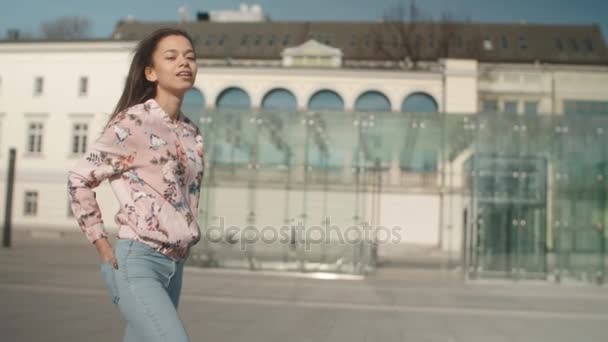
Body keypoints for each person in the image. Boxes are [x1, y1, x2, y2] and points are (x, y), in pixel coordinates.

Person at [67, 27, 204, 342]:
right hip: (138, 261)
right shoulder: (133, 123)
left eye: (190, 57)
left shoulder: (191, 132)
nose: (184, 63)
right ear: (151, 72)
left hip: (175, 266)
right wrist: (101, 244)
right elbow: (79, 179)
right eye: (172, 57)